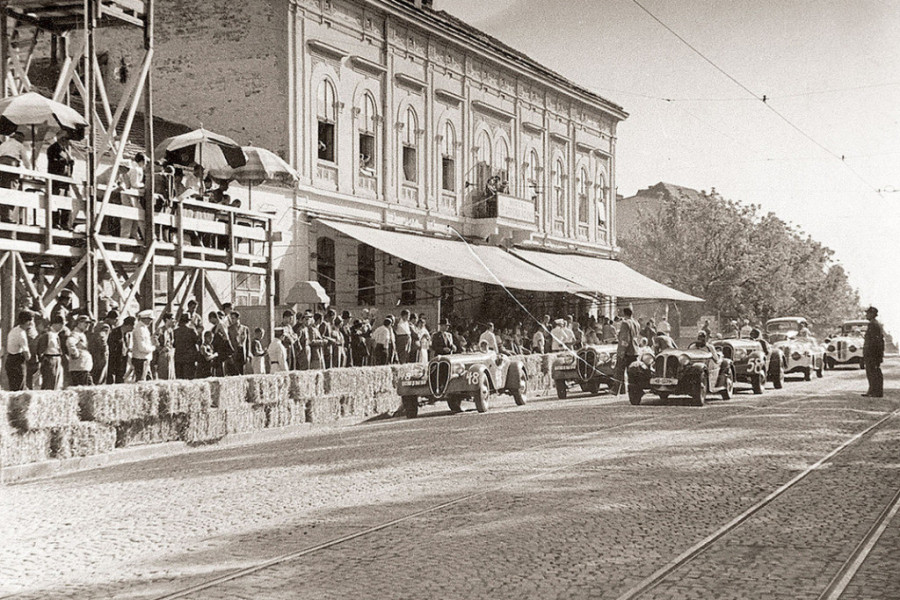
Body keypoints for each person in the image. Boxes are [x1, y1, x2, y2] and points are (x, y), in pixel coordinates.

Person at [46, 130, 75, 229]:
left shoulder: (65, 150)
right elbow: (53, 162)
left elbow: (69, 163)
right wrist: (65, 161)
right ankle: (54, 223)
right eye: (67, 139)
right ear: (62, 139)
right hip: (56, 180)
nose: (68, 142)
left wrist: (70, 162)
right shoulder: (53, 148)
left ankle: (65, 223)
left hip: (65, 180)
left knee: (66, 201)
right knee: (55, 201)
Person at [0, 131, 31, 222]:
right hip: (11, 168)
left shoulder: (3, 144)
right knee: (11, 191)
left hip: (1, 168)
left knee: (2, 190)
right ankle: (8, 217)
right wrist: (29, 173)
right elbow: (26, 161)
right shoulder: (19, 145)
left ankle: (3, 216)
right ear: (20, 138)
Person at [4, 310, 34, 390]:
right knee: (19, 389)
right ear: (28, 322)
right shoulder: (21, 334)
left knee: (13, 388)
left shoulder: (14, 330)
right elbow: (27, 355)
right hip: (17, 361)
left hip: (10, 360)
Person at [35, 314, 65, 390]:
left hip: (56, 358)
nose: (62, 327)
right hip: (49, 358)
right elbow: (40, 349)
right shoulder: (47, 334)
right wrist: (42, 361)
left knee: (55, 382)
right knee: (49, 382)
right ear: (56, 324)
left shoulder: (56, 334)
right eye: (61, 325)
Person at [615, 307, 641, 395]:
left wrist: (622, 352)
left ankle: (617, 390)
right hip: (635, 350)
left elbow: (625, 339)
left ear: (624, 313)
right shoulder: (636, 323)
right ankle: (634, 391)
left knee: (619, 371)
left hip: (627, 351)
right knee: (633, 372)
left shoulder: (625, 323)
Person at [862, 306, 884, 398]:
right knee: (872, 371)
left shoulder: (873, 324)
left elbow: (876, 341)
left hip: (873, 353)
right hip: (873, 353)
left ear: (872, 314)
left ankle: (876, 391)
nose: (866, 315)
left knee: (873, 372)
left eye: (868, 313)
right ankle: (873, 390)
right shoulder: (874, 324)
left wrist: (876, 354)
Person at [67, 315, 94, 386]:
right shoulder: (76, 334)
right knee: (86, 387)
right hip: (80, 367)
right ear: (79, 323)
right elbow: (70, 342)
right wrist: (75, 353)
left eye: (89, 323)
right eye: (85, 323)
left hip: (82, 367)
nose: (88, 325)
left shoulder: (81, 334)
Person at [107, 315, 134, 384]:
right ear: (128, 325)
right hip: (114, 360)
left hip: (123, 361)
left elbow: (125, 347)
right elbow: (111, 347)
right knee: (111, 379)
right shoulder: (114, 332)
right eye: (132, 326)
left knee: (121, 379)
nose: (133, 328)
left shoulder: (128, 335)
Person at [173, 313, 200, 380]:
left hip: (178, 358)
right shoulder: (191, 331)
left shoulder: (175, 331)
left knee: (179, 379)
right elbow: (198, 341)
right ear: (188, 321)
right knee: (189, 379)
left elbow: (174, 344)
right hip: (189, 358)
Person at [132, 309, 156, 381]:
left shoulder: (143, 328)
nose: (151, 321)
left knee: (147, 380)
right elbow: (142, 348)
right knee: (142, 381)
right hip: (141, 359)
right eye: (150, 319)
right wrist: (153, 348)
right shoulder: (140, 329)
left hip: (144, 358)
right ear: (145, 319)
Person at [209, 311, 233, 377]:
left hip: (221, 346)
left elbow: (226, 336)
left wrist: (221, 339)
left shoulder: (220, 324)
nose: (210, 322)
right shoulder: (217, 325)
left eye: (210, 320)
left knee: (220, 363)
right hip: (217, 346)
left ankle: (221, 376)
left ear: (213, 318)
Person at [227, 311, 250, 375]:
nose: (232, 320)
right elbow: (228, 341)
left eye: (233, 318)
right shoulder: (229, 329)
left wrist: (248, 355)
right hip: (234, 352)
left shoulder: (245, 329)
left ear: (238, 318)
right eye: (231, 318)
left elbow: (248, 342)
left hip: (242, 352)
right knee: (234, 372)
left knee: (242, 371)